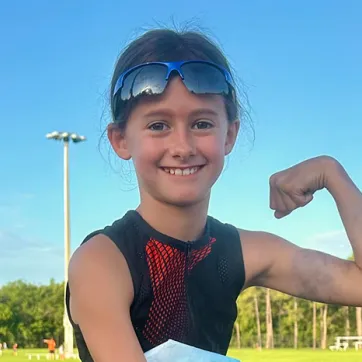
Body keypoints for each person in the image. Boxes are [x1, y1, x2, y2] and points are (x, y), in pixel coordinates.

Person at [66, 27, 362, 362]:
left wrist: (333, 173)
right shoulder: (103, 262)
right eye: (158, 125)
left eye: (202, 123)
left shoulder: (240, 251)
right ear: (121, 139)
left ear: (230, 135)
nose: (182, 147)